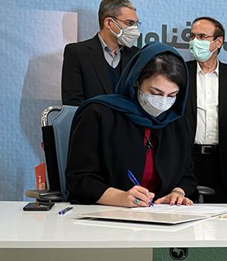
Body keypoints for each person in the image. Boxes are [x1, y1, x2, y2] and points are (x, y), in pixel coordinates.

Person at [66, 43, 197, 206]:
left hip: (161, 213)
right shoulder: (98, 113)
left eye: (172, 95)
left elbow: (187, 174)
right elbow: (80, 178)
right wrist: (120, 197)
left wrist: (177, 193)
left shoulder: (176, 121)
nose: (163, 101)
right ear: (136, 81)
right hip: (107, 212)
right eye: (155, 93)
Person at [182, 17, 227, 203]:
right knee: (182, 213)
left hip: (221, 160)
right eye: (192, 36)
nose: (195, 41)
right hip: (186, 159)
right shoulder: (180, 72)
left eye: (202, 36)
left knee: (218, 215)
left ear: (218, 42)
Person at [61, 0, 141, 105]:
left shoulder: (137, 55)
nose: (135, 29)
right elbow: (73, 103)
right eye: (129, 23)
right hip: (90, 116)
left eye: (136, 24)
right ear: (109, 23)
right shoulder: (77, 53)